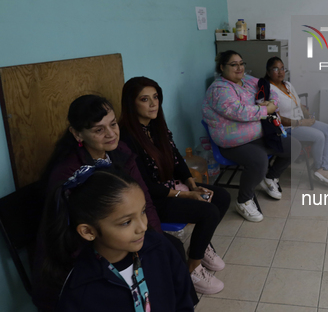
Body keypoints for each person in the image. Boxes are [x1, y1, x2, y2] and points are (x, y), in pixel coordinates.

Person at [32, 95, 196, 311]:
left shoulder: (121, 153)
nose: (111, 134)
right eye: (99, 130)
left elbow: (143, 198)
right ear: (77, 133)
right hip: (91, 250)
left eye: (113, 124)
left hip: (117, 240)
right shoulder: (69, 175)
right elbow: (70, 236)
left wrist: (152, 241)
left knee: (167, 247)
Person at [119, 76, 230, 295]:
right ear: (131, 103)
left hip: (172, 185)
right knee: (208, 212)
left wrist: (192, 184)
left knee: (222, 197)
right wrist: (187, 196)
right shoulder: (127, 137)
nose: (153, 104)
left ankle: (201, 244)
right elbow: (145, 187)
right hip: (152, 199)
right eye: (144, 99)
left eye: (156, 97)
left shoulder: (156, 127)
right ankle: (192, 267)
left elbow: (176, 158)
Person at [39, 164, 196, 311]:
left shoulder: (159, 247)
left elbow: (183, 298)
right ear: (88, 231)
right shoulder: (80, 290)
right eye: (126, 222)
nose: (142, 227)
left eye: (142, 212)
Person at [202, 50, 301, 222]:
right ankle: (244, 201)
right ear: (222, 67)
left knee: (294, 146)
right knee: (259, 159)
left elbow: (272, 92)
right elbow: (238, 112)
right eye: (234, 64)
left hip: (259, 135)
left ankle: (271, 176)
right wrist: (266, 110)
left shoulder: (248, 81)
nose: (239, 67)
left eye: (241, 63)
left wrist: (271, 104)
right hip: (233, 143)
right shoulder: (218, 89)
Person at [265, 56, 328, 188]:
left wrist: (308, 115)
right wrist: (300, 123)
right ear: (268, 71)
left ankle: (324, 169)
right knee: (319, 136)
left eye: (282, 68)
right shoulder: (269, 90)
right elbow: (276, 118)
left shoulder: (287, 85)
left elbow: (298, 105)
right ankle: (318, 168)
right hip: (288, 128)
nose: (281, 72)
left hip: (301, 121)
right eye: (276, 69)